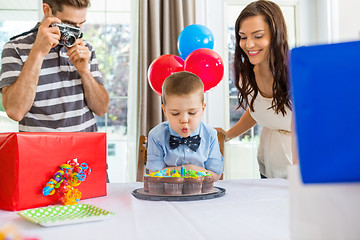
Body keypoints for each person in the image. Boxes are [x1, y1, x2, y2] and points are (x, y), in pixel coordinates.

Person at [0, 0, 109, 132]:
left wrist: (85, 71)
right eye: (69, 24)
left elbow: (102, 109)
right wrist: (38, 53)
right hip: (40, 149)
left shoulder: (85, 48)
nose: (76, 31)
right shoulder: (15, 48)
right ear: (47, 11)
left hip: (83, 149)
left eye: (81, 24)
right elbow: (15, 111)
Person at [219, 0, 293, 178]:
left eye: (258, 36)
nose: (249, 44)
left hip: (300, 163)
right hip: (269, 162)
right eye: (243, 37)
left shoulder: (297, 71)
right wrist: (228, 135)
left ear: (276, 34)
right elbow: (258, 109)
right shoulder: (249, 74)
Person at [146, 71, 224, 181]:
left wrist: (188, 170)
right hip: (168, 194)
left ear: (202, 109)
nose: (184, 120)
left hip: (202, 194)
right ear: (165, 111)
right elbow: (155, 175)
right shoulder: (156, 136)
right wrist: (187, 169)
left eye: (192, 113)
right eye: (175, 113)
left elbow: (216, 174)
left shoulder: (210, 135)